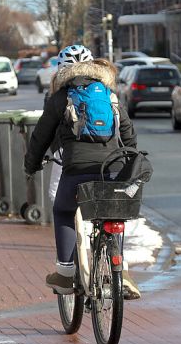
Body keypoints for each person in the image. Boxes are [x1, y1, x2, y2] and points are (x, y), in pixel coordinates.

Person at [23, 45, 141, 300]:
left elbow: (41, 135)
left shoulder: (62, 96)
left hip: (77, 168)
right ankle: (122, 273)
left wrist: (31, 165)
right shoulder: (109, 93)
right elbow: (128, 132)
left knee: (63, 211)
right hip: (113, 167)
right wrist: (129, 158)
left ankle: (65, 273)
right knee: (112, 214)